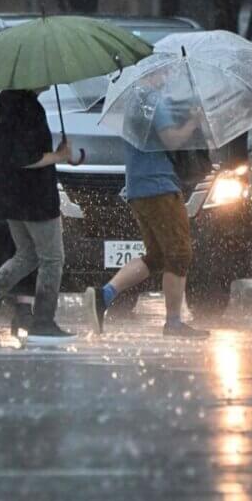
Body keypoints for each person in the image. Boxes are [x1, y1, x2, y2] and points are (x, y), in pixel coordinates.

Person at [84, 97, 209, 338]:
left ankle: (104, 296)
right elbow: (172, 140)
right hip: (159, 186)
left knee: (158, 256)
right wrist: (194, 121)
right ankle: (173, 323)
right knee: (179, 253)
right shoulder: (156, 103)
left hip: (138, 188)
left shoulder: (135, 103)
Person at [0, 88, 76, 346]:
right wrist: (58, 156)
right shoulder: (28, 107)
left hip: (13, 197)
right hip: (35, 199)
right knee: (52, 258)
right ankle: (43, 322)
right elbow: (26, 157)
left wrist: (61, 156)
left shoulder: (7, 100)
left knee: (28, 254)